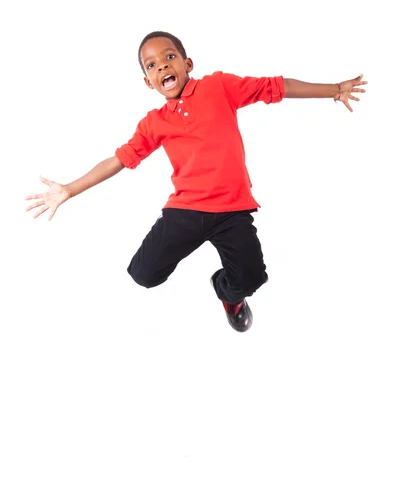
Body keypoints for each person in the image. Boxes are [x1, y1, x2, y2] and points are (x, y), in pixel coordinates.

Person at [25, 31, 367, 332]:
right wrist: (69, 189)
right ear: (148, 82)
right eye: (151, 65)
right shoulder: (154, 122)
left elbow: (276, 87)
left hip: (232, 210)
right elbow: (119, 160)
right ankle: (172, 261)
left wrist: (335, 90)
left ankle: (225, 292)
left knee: (252, 279)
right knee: (143, 276)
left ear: (187, 64)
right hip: (185, 212)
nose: (161, 66)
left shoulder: (219, 87)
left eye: (169, 57)